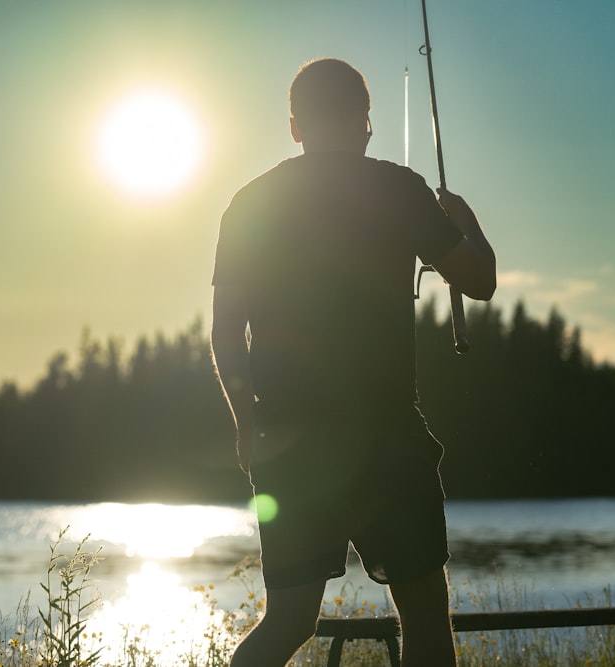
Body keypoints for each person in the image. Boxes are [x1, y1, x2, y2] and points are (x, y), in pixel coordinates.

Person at [210, 58, 496, 667]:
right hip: (387, 438)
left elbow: (226, 333)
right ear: (366, 123)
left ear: (295, 126)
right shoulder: (399, 189)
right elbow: (480, 281)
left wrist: (245, 421)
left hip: (288, 441)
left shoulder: (249, 204)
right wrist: (466, 224)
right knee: (423, 612)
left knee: (287, 620)